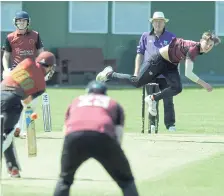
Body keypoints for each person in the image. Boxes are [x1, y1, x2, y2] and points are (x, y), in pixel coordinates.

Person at [96, 31, 221, 116]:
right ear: (201, 40)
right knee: (137, 82)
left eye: (211, 46)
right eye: (207, 43)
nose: (208, 47)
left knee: (177, 88)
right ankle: (109, 74)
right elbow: (188, 73)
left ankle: (152, 98)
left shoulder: (197, 49)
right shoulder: (194, 49)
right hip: (158, 60)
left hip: (170, 65)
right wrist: (204, 84)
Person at [53, 81, 139, 196]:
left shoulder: (76, 101)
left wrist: (68, 153)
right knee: (126, 180)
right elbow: (118, 134)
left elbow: (66, 130)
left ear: (87, 92)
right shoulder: (113, 103)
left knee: (64, 179)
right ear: (105, 93)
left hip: (74, 137)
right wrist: (115, 156)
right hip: (103, 136)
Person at [1, 51, 56, 177]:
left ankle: (13, 168)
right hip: (12, 101)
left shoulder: (27, 61)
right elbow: (26, 101)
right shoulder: (41, 85)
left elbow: (16, 76)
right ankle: (13, 168)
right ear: (49, 67)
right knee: (5, 136)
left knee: (4, 135)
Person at [2, 10, 44, 138]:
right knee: (17, 101)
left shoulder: (35, 35)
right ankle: (18, 128)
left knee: (31, 102)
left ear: (28, 22)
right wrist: (6, 69)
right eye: (19, 21)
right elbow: (6, 56)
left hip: (31, 72)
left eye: (23, 21)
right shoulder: (10, 37)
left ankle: (25, 128)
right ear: (15, 22)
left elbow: (41, 53)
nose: (21, 23)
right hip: (17, 73)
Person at [134, 11, 177, 131]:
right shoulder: (145, 36)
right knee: (151, 100)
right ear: (152, 23)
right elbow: (140, 53)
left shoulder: (171, 37)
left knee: (168, 99)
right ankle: (152, 124)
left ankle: (170, 125)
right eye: (156, 21)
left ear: (164, 23)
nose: (158, 24)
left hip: (166, 74)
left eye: (160, 21)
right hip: (150, 73)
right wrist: (137, 71)